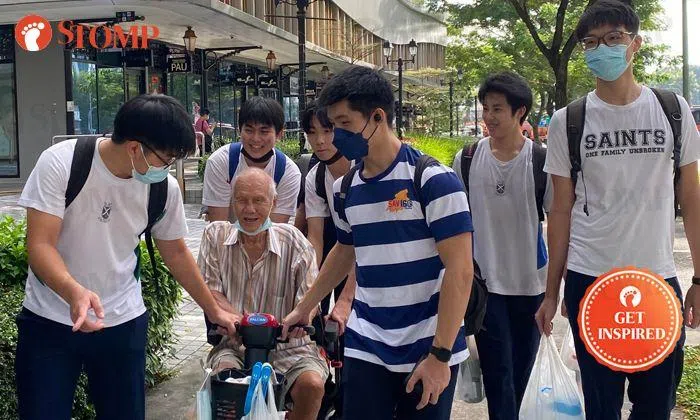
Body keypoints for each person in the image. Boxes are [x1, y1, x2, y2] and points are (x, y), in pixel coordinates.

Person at [14, 95, 238, 420]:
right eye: (166, 159)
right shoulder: (62, 162)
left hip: (122, 322)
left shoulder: (163, 189)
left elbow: (176, 252)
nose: (168, 168)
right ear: (135, 148)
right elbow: (40, 245)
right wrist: (74, 292)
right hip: (49, 320)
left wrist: (213, 309)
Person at [534, 1, 700, 419]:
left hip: (656, 279)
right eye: (591, 43)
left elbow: (693, 199)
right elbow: (560, 212)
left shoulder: (673, 110)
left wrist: (699, 278)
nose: (601, 49)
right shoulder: (568, 120)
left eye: (613, 38)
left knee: (656, 406)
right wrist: (552, 293)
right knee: (601, 407)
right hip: (591, 279)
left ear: (635, 43)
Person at [282, 66, 474, 420]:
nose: (336, 136)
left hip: (427, 343)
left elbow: (460, 272)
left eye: (344, 123)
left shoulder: (433, 180)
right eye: (333, 125)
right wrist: (305, 307)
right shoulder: (345, 188)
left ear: (377, 117)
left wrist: (441, 355)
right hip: (367, 341)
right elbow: (345, 250)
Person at [452, 72, 551, 420]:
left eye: (497, 109)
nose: (489, 117)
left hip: (530, 285)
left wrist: (557, 290)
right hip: (484, 286)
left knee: (523, 370)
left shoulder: (541, 161)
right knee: (497, 372)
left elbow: (558, 224)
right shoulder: (467, 159)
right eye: (486, 109)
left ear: (519, 112)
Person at [199, 168, 328, 420]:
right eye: (242, 200)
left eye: (258, 200)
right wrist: (243, 323)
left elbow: (310, 296)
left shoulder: (294, 241)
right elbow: (210, 291)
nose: (249, 209)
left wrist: (301, 317)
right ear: (232, 201)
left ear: (274, 203)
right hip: (234, 345)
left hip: (291, 347)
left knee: (312, 386)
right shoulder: (215, 236)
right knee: (226, 384)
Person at [202, 96, 301, 223]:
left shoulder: (288, 172)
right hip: (228, 235)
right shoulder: (221, 162)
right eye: (249, 130)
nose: (255, 139)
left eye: (264, 132)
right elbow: (219, 227)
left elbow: (275, 229)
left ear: (279, 134)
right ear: (239, 130)